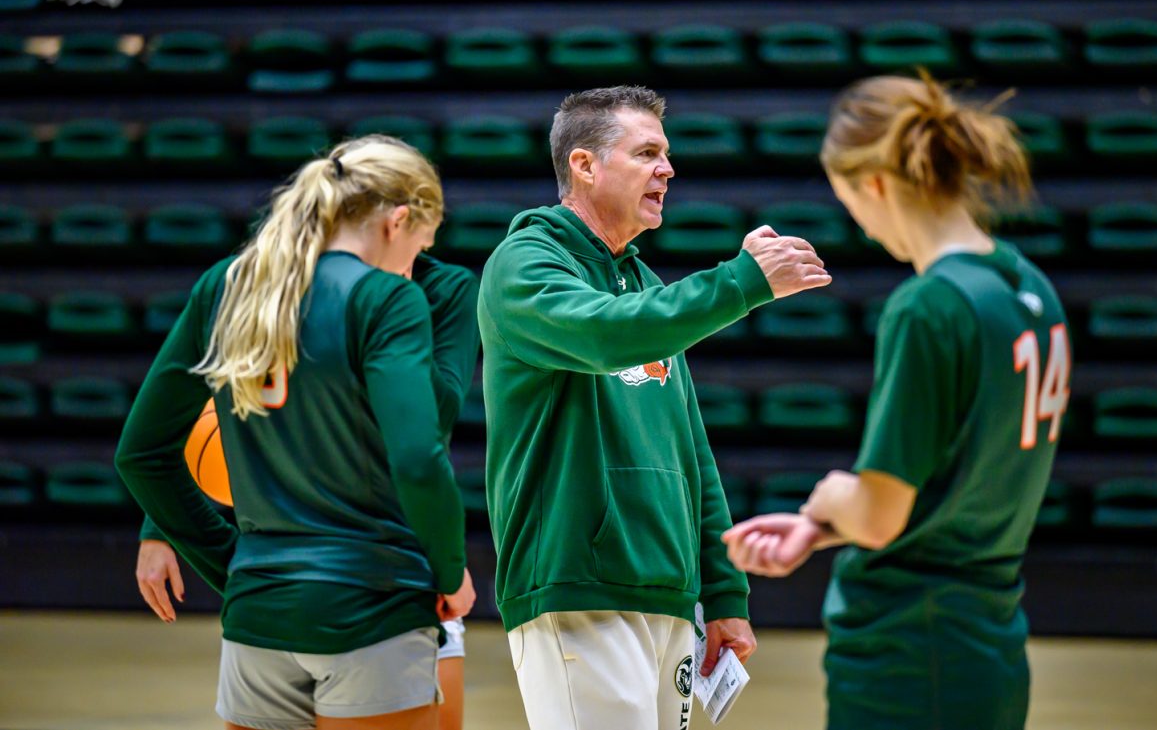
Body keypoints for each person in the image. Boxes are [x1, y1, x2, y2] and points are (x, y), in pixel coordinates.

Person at [723, 73, 1071, 730]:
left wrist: (828, 498)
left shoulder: (929, 306)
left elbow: (880, 517)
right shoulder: (1030, 288)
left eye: (849, 202)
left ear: (875, 184)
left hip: (909, 651)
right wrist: (822, 530)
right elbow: (958, 486)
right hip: (989, 642)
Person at [478, 85, 833, 730]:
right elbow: (603, 333)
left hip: (670, 594)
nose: (668, 169)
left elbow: (690, 451)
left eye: (666, 154)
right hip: (578, 588)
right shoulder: (524, 264)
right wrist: (743, 282)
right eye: (647, 153)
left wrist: (723, 591)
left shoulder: (645, 286)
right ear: (585, 165)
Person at [115, 135, 476, 730]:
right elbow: (417, 457)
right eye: (420, 241)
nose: (417, 258)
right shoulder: (388, 298)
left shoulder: (227, 285)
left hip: (258, 613)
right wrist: (448, 571)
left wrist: (235, 564)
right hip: (372, 601)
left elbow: (141, 453)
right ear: (399, 220)